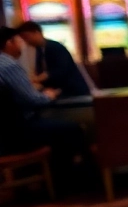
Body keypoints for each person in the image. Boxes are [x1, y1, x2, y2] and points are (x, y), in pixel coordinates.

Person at [0, 27, 86, 178]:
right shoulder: (8, 65)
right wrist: (48, 95)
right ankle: (70, 178)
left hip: (6, 131)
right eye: (20, 40)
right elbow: (34, 100)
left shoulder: (53, 48)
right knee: (73, 129)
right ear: (9, 43)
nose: (23, 44)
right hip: (17, 131)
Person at [17, 20, 90, 98]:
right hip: (58, 92)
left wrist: (39, 78)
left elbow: (62, 70)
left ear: (37, 32)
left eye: (27, 37)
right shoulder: (39, 50)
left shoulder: (55, 47)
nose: (26, 41)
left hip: (73, 93)